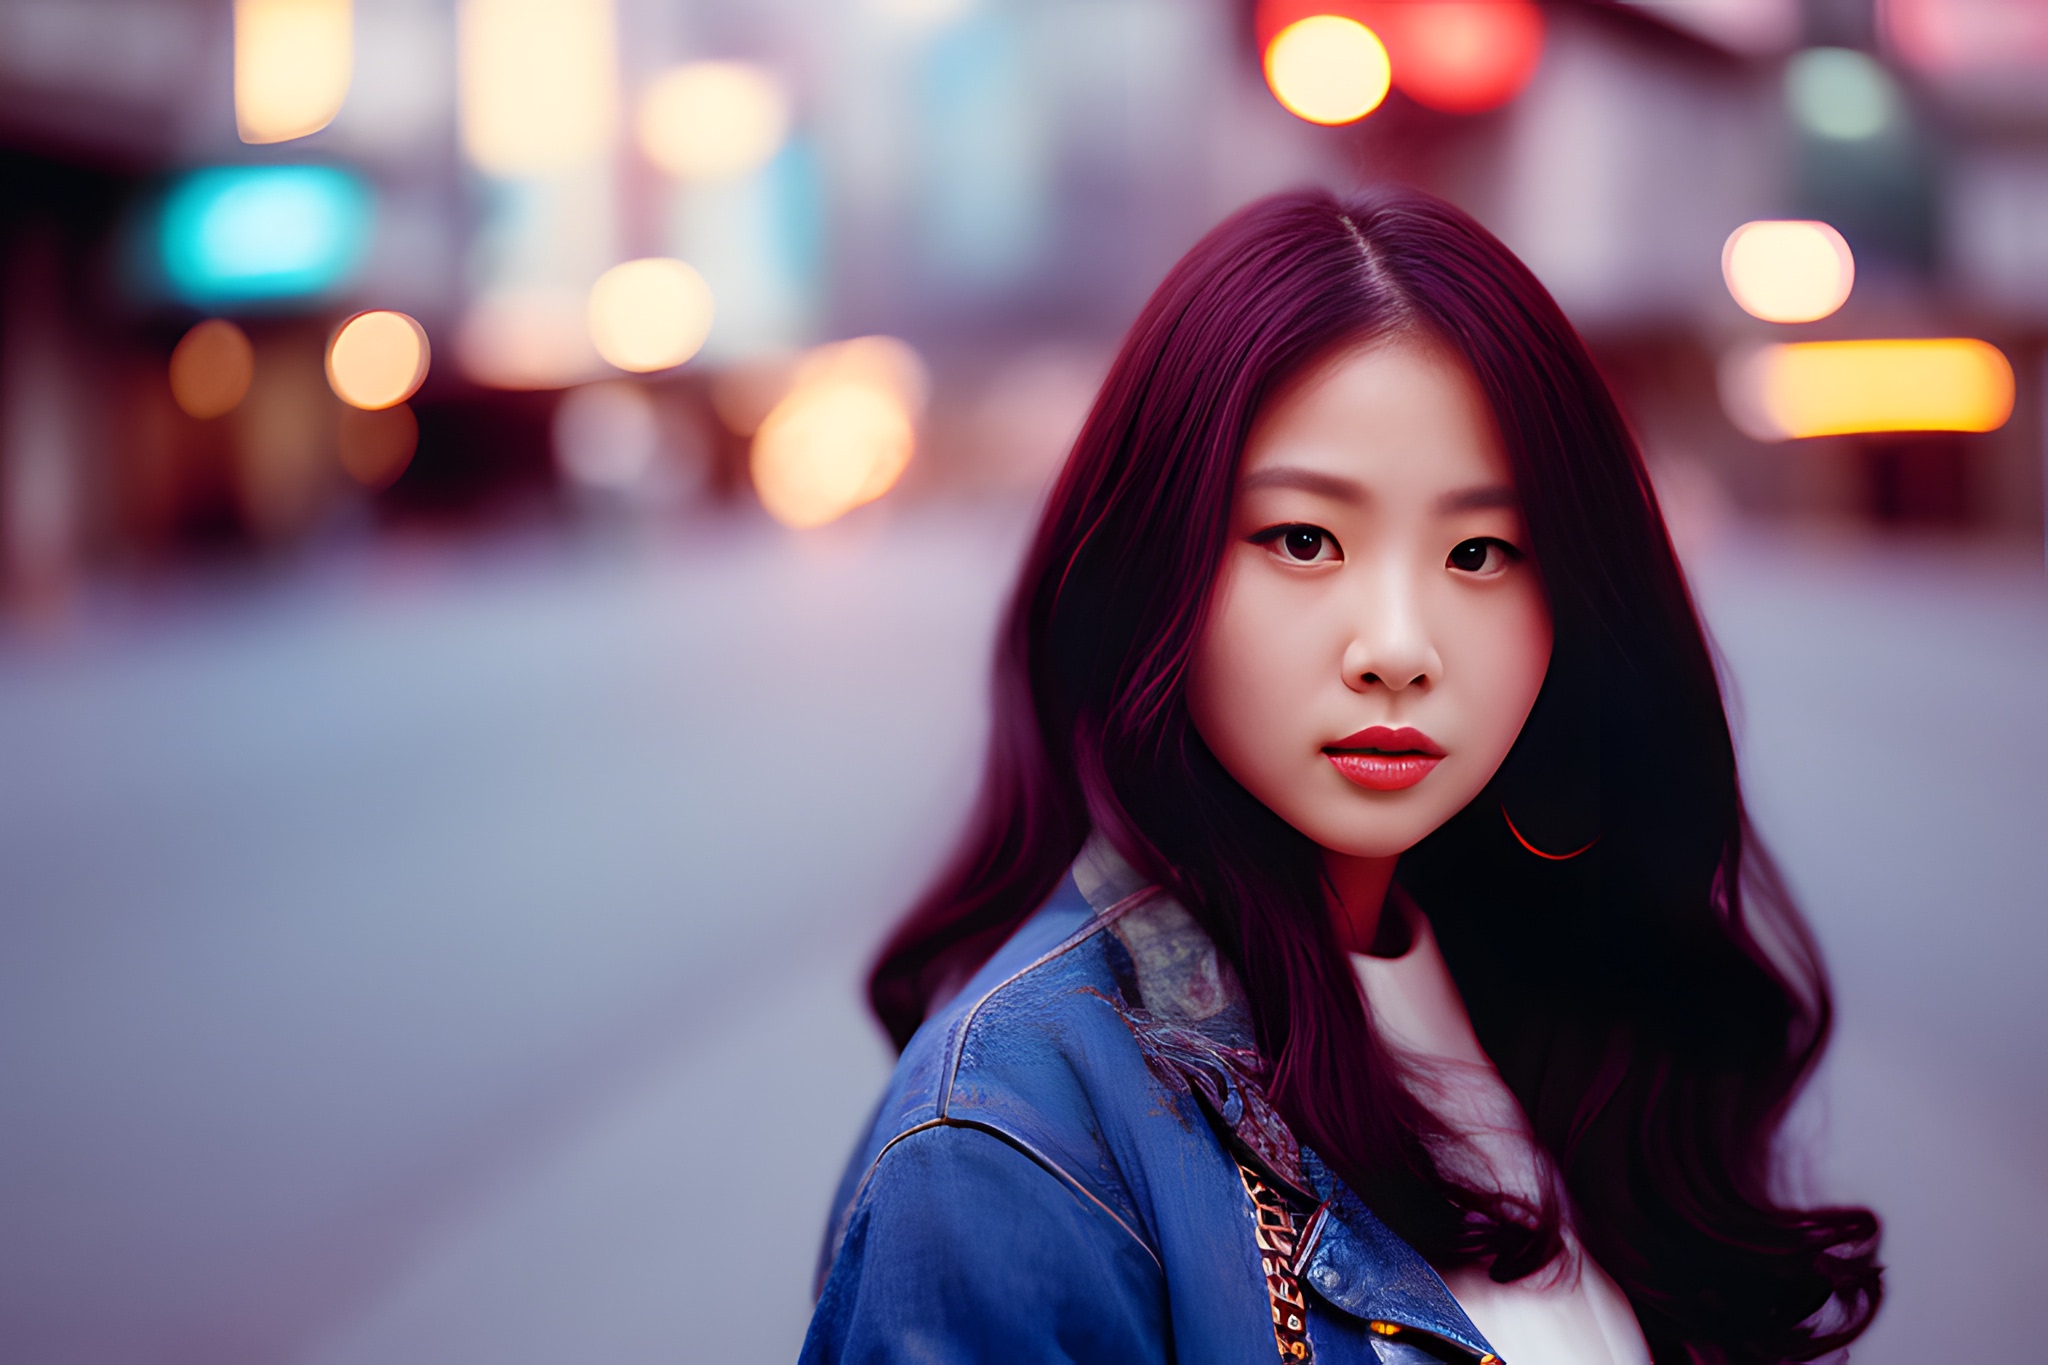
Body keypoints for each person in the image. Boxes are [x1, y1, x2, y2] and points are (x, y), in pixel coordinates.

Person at [801, 187, 1881, 1365]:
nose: (1398, 649)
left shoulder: (1550, 999)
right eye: (1303, 540)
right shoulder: (1011, 1144)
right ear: (1148, 566)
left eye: (1479, 552)